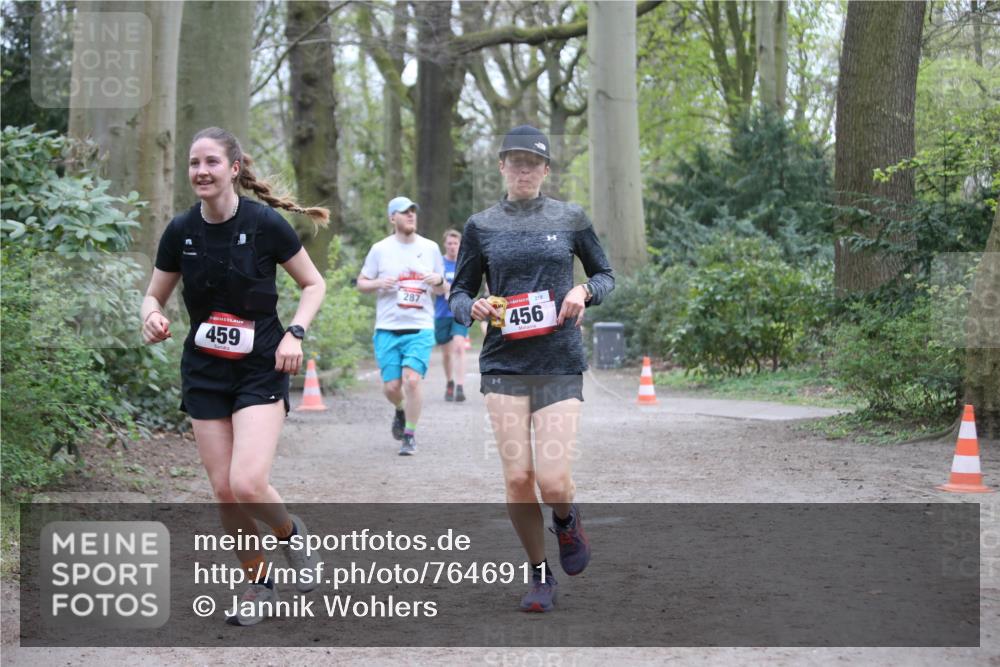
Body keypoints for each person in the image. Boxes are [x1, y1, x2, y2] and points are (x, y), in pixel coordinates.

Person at [141, 127, 327, 627]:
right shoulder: (181, 231)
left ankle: (291, 535)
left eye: (211, 162)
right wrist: (151, 315)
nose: (201, 171)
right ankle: (258, 584)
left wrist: (295, 334)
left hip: (261, 365)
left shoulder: (265, 224)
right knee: (224, 491)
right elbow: (154, 294)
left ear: (234, 168)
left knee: (246, 482)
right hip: (204, 371)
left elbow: (313, 284)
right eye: (194, 163)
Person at [449, 125, 614, 612]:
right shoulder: (480, 225)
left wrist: (583, 290)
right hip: (504, 362)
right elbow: (459, 292)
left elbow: (605, 275)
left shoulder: (570, 218)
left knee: (553, 481)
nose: (524, 170)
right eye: (515, 162)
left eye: (533, 163)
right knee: (519, 478)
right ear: (502, 167)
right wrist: (472, 306)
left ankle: (565, 519)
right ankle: (540, 573)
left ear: (545, 169)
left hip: (559, 361)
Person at [357, 196, 446, 456]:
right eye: (404, 212)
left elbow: (443, 289)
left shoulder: (430, 248)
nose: (410, 215)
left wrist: (439, 280)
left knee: (412, 381)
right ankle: (399, 409)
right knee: (392, 388)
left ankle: (409, 435)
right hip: (387, 327)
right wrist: (378, 283)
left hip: (420, 326)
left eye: (412, 211)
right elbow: (361, 283)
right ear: (392, 218)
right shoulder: (380, 249)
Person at [434, 229, 469, 402]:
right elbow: (435, 289)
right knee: (447, 353)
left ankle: (460, 387)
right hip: (442, 312)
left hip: (459, 312)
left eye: (456, 243)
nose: (453, 246)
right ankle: (450, 382)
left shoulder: (465, 263)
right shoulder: (438, 263)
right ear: (445, 244)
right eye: (450, 243)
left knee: (459, 347)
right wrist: (444, 286)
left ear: (460, 245)